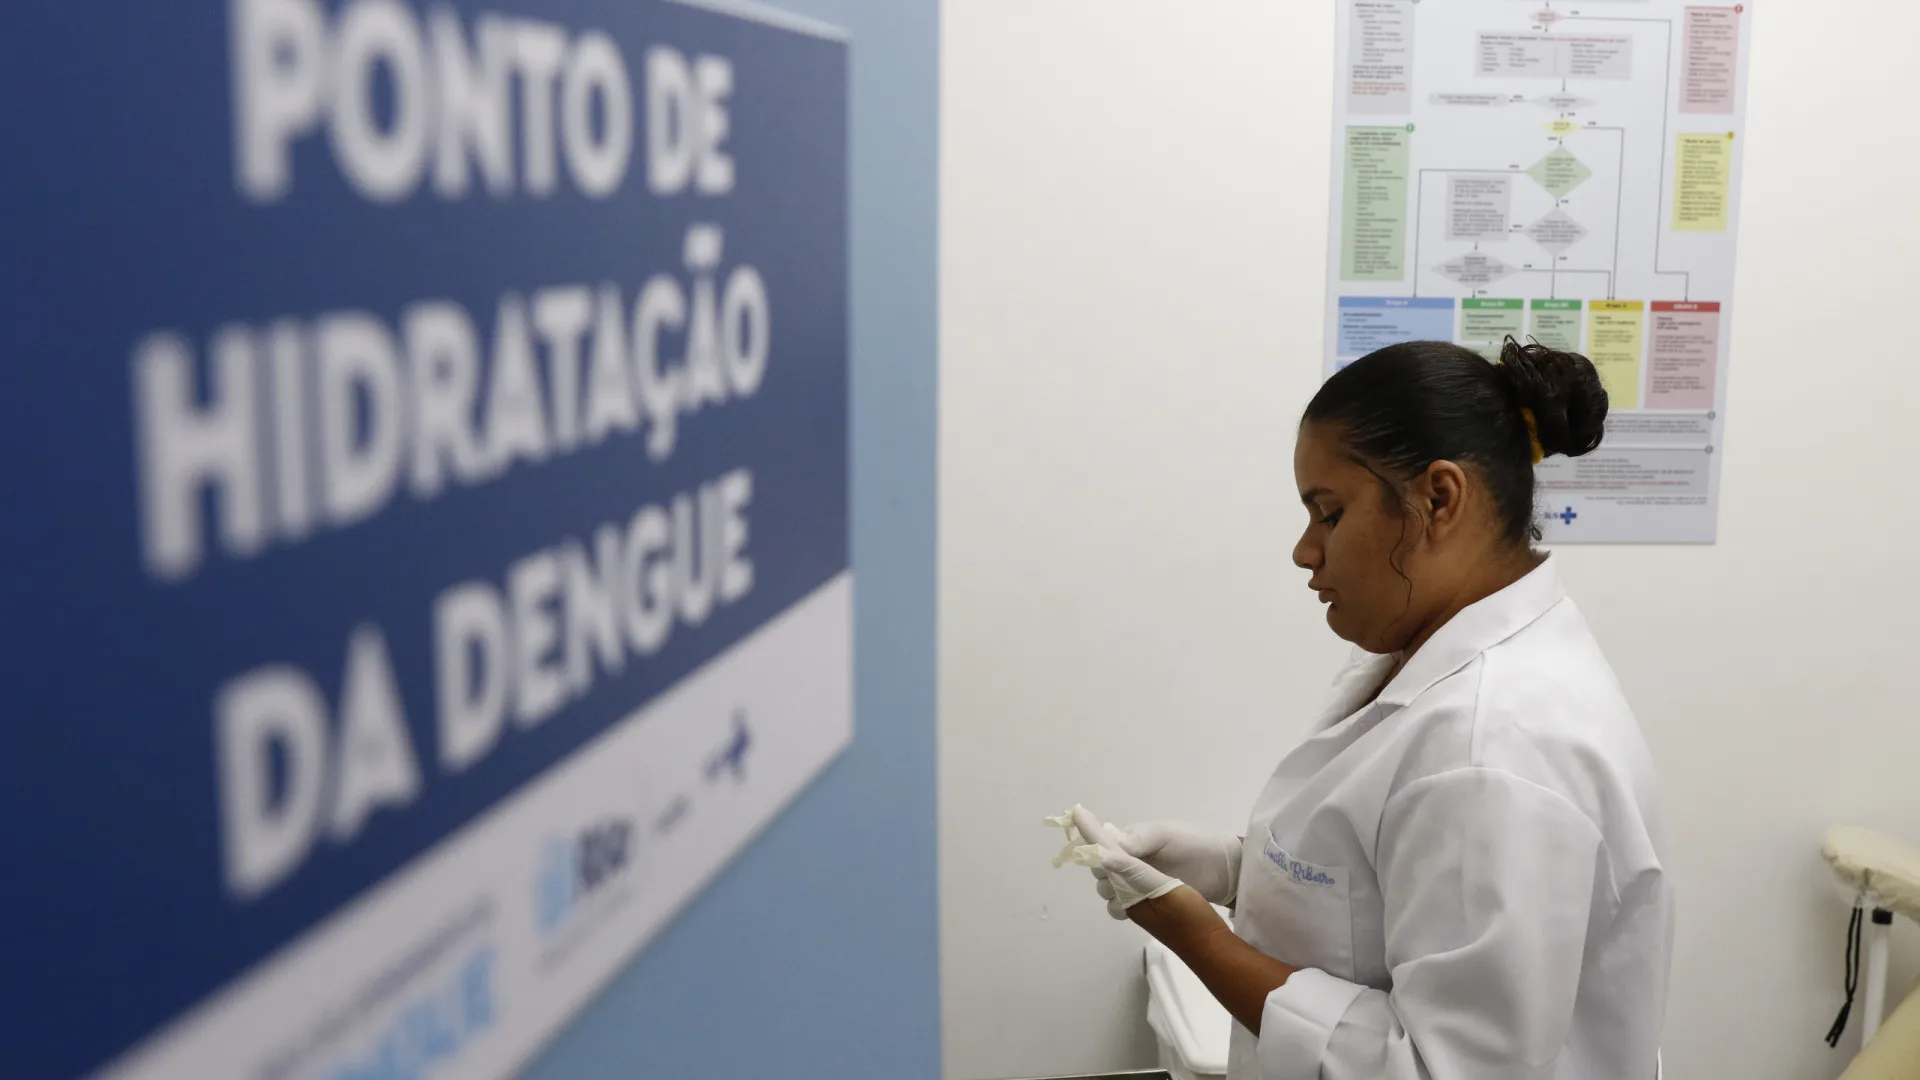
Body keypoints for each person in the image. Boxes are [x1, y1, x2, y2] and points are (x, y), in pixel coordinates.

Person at [1062, 338, 1672, 1080]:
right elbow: (1393, 888)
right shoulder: (1437, 661)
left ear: (1439, 499)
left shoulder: (1492, 746)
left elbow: (1443, 1069)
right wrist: (1234, 870)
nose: (1304, 551)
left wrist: (1195, 935)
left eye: (1329, 513)